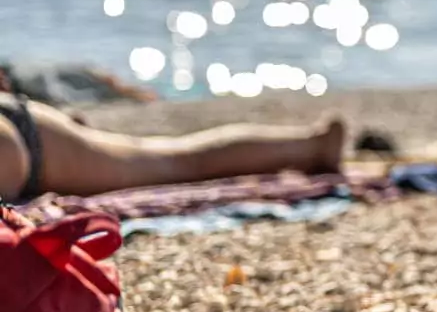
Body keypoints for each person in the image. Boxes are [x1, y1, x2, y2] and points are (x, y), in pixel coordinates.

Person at [0, 77, 345, 202]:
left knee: (178, 162)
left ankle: (313, 145)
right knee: (171, 157)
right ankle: (312, 144)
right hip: (27, 131)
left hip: (29, 143)